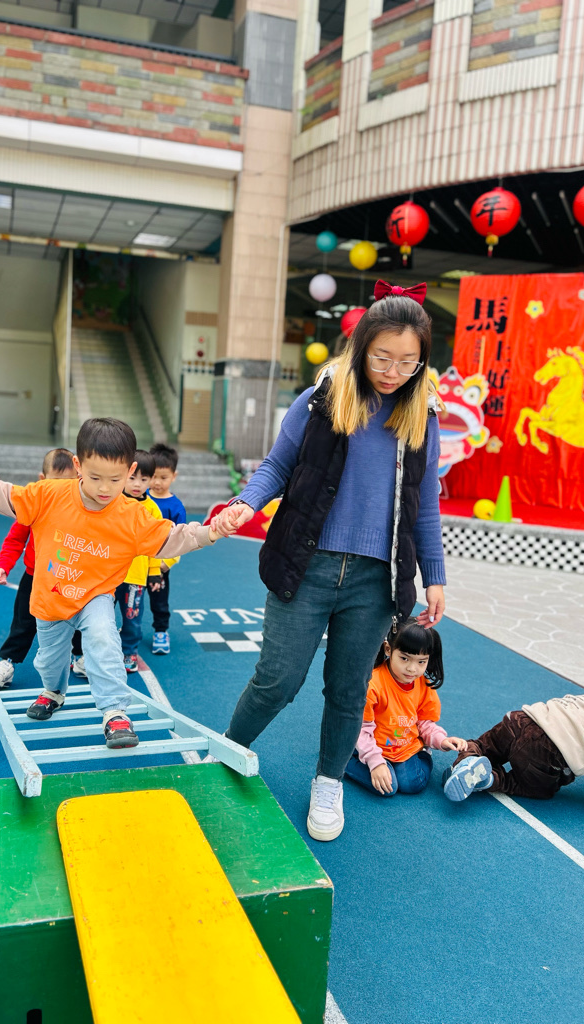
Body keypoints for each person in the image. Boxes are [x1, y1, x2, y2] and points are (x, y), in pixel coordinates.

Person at [212, 280, 446, 841]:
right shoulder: (324, 398)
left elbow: (427, 504)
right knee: (277, 680)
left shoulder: (423, 415)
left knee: (348, 691)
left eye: (407, 362)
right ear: (361, 346)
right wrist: (246, 503)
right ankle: (226, 752)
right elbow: (277, 465)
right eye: (382, 357)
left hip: (375, 581)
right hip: (307, 565)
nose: (392, 372)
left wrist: (435, 576)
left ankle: (328, 781)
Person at [0, 418, 220, 749]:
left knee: (103, 638)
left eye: (115, 479)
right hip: (51, 597)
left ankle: (115, 712)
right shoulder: (50, 494)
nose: (104, 488)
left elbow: (171, 537)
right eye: (95, 477)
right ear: (78, 465)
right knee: (49, 660)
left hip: (95, 596)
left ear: (130, 471)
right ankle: (54, 692)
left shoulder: (132, 515)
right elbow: (5, 495)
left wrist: (211, 531)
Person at [0, 448, 86, 689]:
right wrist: (4, 566)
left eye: (68, 482)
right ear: (42, 479)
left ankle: (80, 657)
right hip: (35, 578)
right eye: (55, 481)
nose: (61, 488)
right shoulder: (34, 506)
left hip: (69, 578)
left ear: (79, 479)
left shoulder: (81, 510)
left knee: (77, 619)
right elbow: (15, 540)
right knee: (23, 622)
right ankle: (7, 663)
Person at [345, 618, 467, 797]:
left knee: (413, 783)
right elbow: (361, 729)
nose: (412, 669)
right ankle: (343, 760)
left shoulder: (423, 684)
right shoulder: (373, 684)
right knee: (388, 788)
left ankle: (416, 759)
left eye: (421, 662)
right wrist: (375, 762)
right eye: (404, 658)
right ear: (388, 649)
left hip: (405, 748)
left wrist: (441, 740)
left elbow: (425, 723)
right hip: (372, 746)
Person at [442, 691, 584, 801]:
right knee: (537, 788)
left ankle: (466, 761)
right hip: (549, 748)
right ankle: (488, 779)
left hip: (523, 719)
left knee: (482, 746)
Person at [115, 449, 163, 673]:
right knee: (99, 616)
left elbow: (157, 543)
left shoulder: (152, 509)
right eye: (132, 478)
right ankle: (93, 652)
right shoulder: (113, 501)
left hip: (135, 576)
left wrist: (154, 571)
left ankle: (129, 651)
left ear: (151, 480)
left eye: (144, 479)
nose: (137, 484)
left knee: (132, 618)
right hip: (107, 573)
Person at [147, 443, 187, 656]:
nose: (157, 482)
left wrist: (166, 563)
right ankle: (127, 631)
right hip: (136, 563)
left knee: (159, 600)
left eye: (163, 477)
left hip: (160, 565)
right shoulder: (140, 497)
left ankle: (161, 631)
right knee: (128, 600)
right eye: (153, 476)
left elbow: (181, 540)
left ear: (174, 476)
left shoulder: (176, 507)